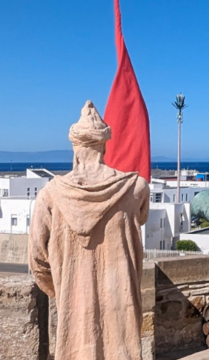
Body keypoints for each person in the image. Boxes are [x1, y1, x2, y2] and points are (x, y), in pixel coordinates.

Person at [29, 101, 150, 360]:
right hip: (122, 306)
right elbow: (141, 218)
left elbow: (37, 261)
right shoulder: (135, 188)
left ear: (75, 148)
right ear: (104, 145)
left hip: (75, 313)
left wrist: (65, 292)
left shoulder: (49, 196)